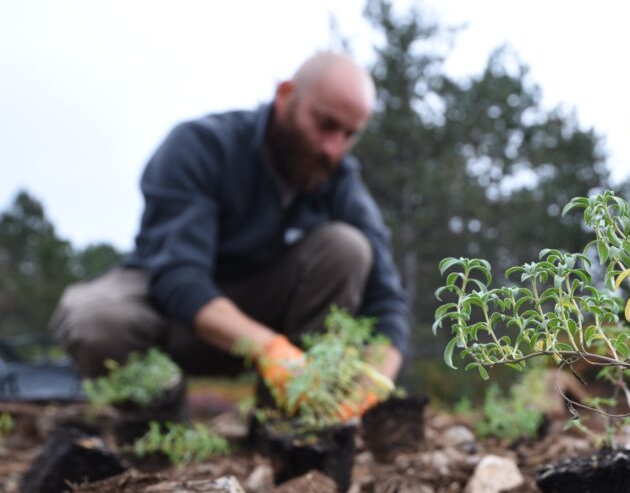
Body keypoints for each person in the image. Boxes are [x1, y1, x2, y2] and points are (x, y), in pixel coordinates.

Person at [49, 52, 408, 412]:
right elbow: (179, 278)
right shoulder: (202, 146)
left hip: (261, 316)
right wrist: (270, 350)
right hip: (169, 316)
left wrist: (373, 386)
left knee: (347, 248)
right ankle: (155, 429)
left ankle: (289, 427)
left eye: (350, 135)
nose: (334, 148)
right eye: (326, 125)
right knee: (93, 319)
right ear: (285, 95)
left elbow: (386, 301)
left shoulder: (338, 178)